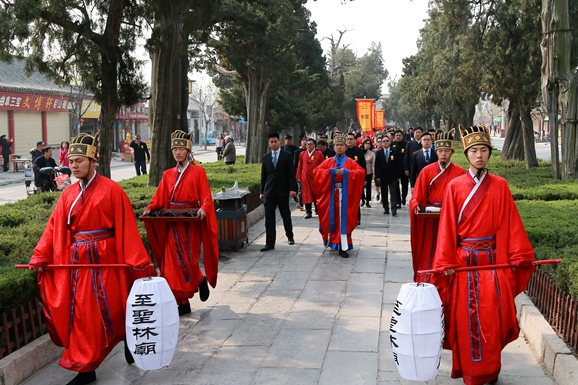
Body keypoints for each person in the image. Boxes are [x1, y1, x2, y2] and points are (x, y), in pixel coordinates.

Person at [28, 131, 152, 385]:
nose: (74, 166)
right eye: (71, 161)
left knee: (115, 307)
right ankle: (86, 367)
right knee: (83, 314)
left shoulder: (112, 190)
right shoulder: (68, 195)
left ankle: (127, 337)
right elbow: (54, 228)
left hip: (106, 260)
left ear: (93, 160)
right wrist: (40, 255)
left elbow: (126, 228)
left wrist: (139, 263)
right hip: (79, 264)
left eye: (79, 161)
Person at [431, 125, 535, 385]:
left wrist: (519, 255)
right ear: (466, 154)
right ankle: (471, 370)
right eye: (474, 150)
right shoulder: (455, 186)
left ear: (490, 153)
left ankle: (491, 369)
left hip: (492, 263)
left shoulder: (500, 185)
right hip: (464, 262)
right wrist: (446, 262)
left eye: (484, 150)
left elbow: (511, 223)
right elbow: (447, 228)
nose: (479, 155)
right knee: (465, 319)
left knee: (494, 318)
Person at [143, 130, 219, 316]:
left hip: (190, 222)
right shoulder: (168, 174)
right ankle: (181, 303)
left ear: (188, 150)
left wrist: (203, 209)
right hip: (172, 222)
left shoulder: (198, 171)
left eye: (181, 149)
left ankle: (200, 279)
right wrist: (150, 208)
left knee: (188, 260)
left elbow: (206, 196)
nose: (177, 152)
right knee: (171, 264)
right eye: (175, 149)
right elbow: (160, 197)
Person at [408, 129, 465, 281]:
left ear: (452, 152)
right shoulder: (427, 171)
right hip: (430, 217)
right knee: (429, 248)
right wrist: (416, 207)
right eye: (440, 151)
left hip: (451, 218)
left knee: (447, 247)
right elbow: (416, 197)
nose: (443, 154)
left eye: (446, 151)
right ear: (436, 151)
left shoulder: (460, 173)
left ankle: (446, 274)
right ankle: (428, 275)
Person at [313, 133, 365, 258]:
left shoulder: (351, 162)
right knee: (332, 220)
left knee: (343, 221)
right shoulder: (328, 162)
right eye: (337, 145)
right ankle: (332, 242)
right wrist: (331, 172)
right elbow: (316, 172)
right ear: (334, 147)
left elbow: (361, 172)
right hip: (331, 196)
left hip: (345, 196)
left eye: (342, 145)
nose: (339, 147)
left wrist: (346, 172)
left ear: (346, 147)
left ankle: (343, 246)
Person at [260, 132, 297, 251]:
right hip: (269, 192)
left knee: (285, 215)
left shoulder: (287, 156)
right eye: (271, 142)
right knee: (269, 218)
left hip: (283, 191)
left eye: (275, 141)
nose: (273, 144)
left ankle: (290, 236)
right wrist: (262, 191)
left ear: (279, 142)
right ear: (269, 143)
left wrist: (293, 189)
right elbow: (263, 176)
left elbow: (291, 174)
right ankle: (270, 242)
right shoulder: (266, 157)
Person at [374, 136, 403, 216]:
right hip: (383, 176)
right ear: (382, 143)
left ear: (390, 142)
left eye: (387, 141)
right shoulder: (379, 153)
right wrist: (377, 176)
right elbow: (377, 165)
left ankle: (394, 209)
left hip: (393, 176)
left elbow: (398, 164)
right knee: (384, 193)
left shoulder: (395, 151)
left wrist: (398, 175)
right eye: (384, 141)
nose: (385, 142)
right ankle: (386, 208)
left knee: (393, 193)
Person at [296, 138, 323, 219]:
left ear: (314, 145)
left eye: (311, 144)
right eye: (308, 144)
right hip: (305, 177)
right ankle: (308, 212)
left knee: (316, 194)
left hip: (316, 177)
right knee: (306, 194)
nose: (309, 146)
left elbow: (322, 166)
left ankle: (318, 209)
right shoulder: (302, 154)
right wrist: (299, 176)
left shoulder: (319, 154)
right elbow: (300, 165)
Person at [345, 132, 366, 221]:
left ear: (355, 141)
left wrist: (364, 179)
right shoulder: (343, 151)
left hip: (356, 179)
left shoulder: (359, 151)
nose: (349, 141)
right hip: (345, 178)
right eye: (348, 139)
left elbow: (363, 165)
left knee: (355, 199)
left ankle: (357, 218)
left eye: (351, 139)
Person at [391, 130, 408, 205]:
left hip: (404, 168)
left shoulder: (406, 144)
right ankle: (398, 201)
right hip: (394, 169)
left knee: (405, 185)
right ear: (394, 137)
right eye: (396, 135)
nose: (398, 137)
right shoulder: (392, 144)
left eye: (399, 135)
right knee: (395, 186)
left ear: (402, 136)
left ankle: (403, 197)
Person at [293, 137, 307, 209]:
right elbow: (295, 164)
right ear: (301, 144)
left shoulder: (310, 152)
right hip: (300, 172)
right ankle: (300, 202)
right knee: (300, 188)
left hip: (309, 173)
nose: (305, 146)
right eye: (304, 144)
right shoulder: (297, 152)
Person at [361, 138, 375, 207]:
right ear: (363, 144)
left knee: (368, 187)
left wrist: (374, 174)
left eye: (369, 144)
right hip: (361, 172)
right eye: (366, 143)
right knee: (361, 187)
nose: (367, 145)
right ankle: (362, 199)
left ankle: (368, 201)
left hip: (368, 173)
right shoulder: (360, 152)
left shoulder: (371, 154)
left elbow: (373, 164)